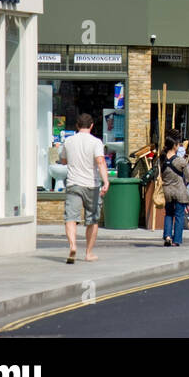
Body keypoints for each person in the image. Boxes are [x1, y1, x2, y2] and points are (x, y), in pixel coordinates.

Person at [60, 113, 109, 264]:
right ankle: (88, 253)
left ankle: (73, 246)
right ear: (92, 125)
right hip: (91, 185)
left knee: (70, 218)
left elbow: (63, 160)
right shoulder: (96, 142)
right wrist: (106, 181)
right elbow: (100, 162)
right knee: (92, 220)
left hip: (73, 183)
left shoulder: (68, 141)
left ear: (77, 125)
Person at [159, 136, 189, 246]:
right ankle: (176, 240)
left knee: (168, 214)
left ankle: (167, 236)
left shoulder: (161, 160)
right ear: (175, 146)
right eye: (178, 145)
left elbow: (159, 174)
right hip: (179, 191)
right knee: (179, 215)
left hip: (167, 191)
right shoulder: (180, 161)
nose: (179, 146)